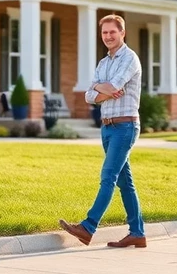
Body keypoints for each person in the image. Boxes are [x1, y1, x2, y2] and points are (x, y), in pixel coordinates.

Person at [59, 14, 146, 248]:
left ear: (122, 33)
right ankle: (137, 233)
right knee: (125, 183)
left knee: (108, 177)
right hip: (107, 128)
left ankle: (88, 227)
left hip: (125, 126)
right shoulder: (103, 63)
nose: (108, 36)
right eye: (105, 32)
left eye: (112, 32)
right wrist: (100, 88)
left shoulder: (130, 58)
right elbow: (89, 96)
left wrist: (102, 89)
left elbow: (115, 86)